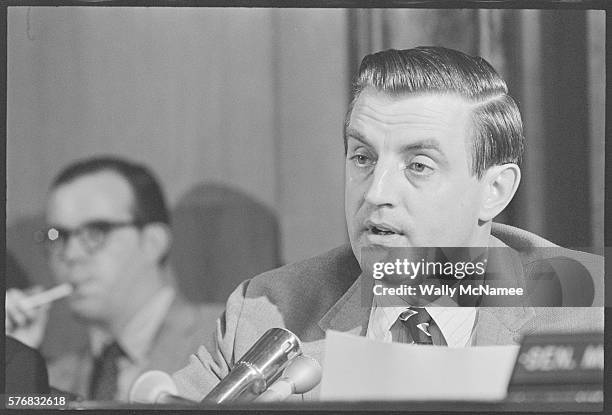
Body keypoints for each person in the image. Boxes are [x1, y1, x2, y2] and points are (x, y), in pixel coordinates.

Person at [172, 46, 603, 401]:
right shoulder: (262, 313)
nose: (376, 192)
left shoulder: (588, 317)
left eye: (418, 165)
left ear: (495, 190)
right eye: (363, 158)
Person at [5, 156, 221, 401]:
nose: (70, 254)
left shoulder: (226, 340)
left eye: (96, 232)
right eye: (58, 236)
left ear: (153, 242)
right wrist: (16, 360)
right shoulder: (53, 377)